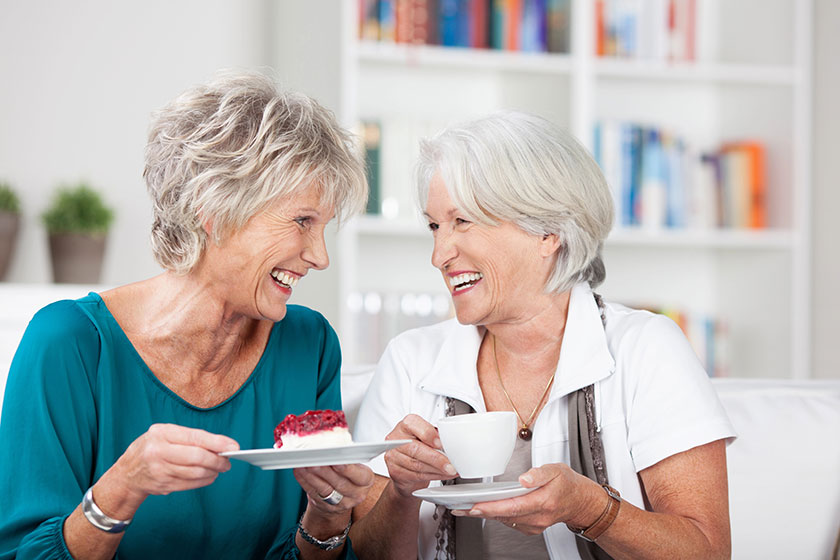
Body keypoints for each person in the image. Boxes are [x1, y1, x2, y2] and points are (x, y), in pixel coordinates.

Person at [0, 71, 373, 559]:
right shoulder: (70, 343)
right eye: (302, 221)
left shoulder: (310, 343)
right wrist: (121, 489)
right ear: (212, 207)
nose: (320, 257)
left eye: (323, 227)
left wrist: (327, 515)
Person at [350, 111, 736, 559]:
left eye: (463, 222)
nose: (439, 255)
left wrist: (591, 508)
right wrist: (400, 492)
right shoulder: (409, 359)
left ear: (548, 231)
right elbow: (366, 554)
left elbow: (707, 552)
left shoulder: (647, 348)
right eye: (435, 226)